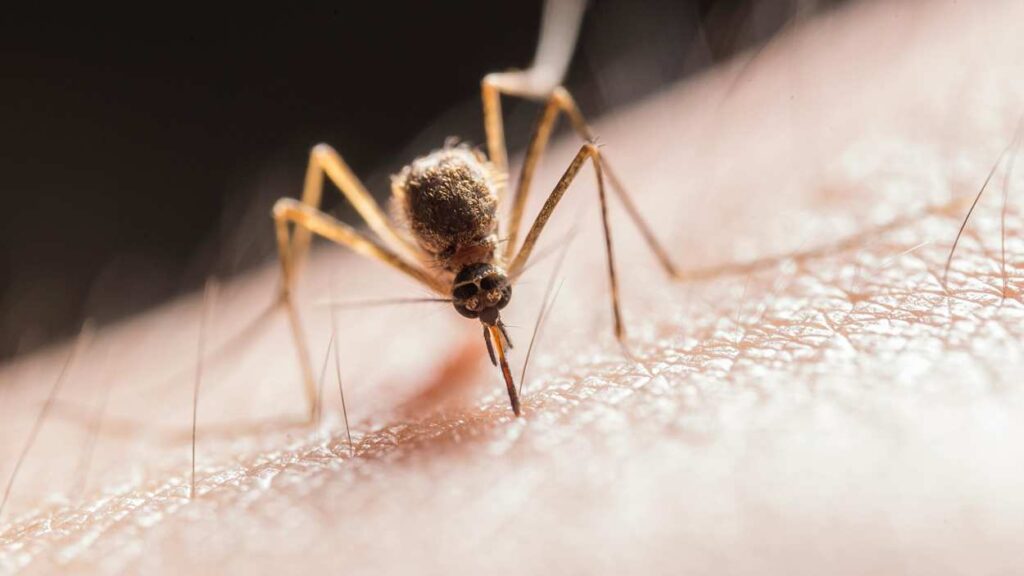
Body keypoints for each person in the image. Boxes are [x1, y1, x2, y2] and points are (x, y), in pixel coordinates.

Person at [1, 1, 1022, 573]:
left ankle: (667, 273)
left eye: (485, 293)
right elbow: (304, 212)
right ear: (463, 280)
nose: (491, 309)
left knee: (546, 123)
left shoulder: (502, 241)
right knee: (303, 199)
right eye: (479, 296)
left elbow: (569, 125)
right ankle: (306, 394)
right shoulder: (436, 256)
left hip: (468, 198)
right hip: (434, 208)